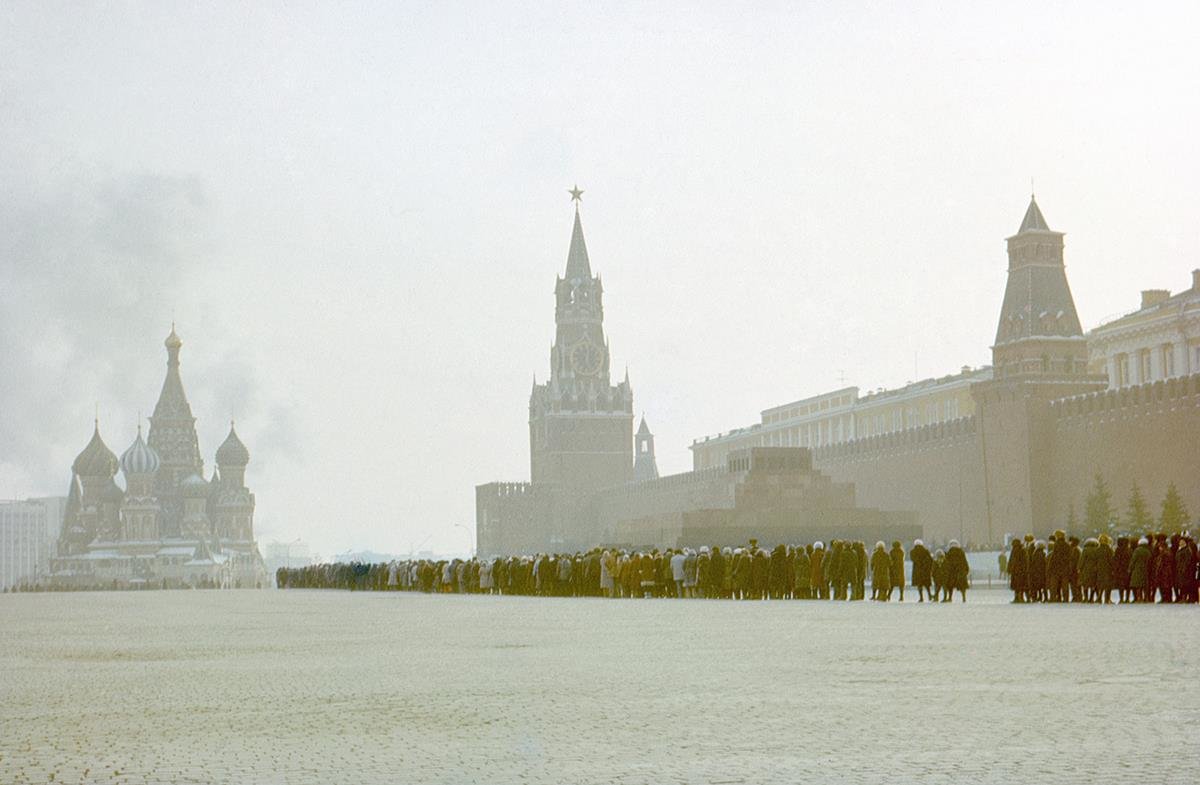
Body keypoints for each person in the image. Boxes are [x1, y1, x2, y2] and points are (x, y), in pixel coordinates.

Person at [1007, 538, 1027, 603]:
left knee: (1016, 586)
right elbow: (1024, 561)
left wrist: (1009, 569)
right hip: (1021, 571)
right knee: (1021, 585)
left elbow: (1011, 561)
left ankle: (1017, 598)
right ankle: (1021, 597)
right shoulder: (1022, 550)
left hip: (1015, 571)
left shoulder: (1014, 550)